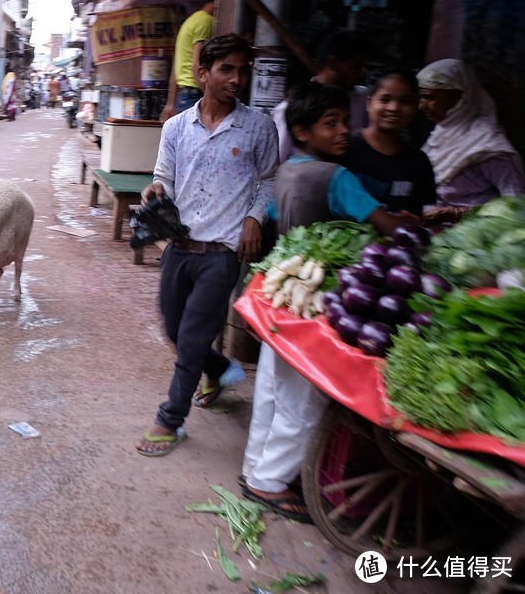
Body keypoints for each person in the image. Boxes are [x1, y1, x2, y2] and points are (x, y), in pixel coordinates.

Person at [241, 81, 411, 520]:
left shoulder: (288, 172)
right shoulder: (336, 177)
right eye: (330, 124)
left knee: (272, 389)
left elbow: (279, 222)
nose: (343, 132)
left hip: (280, 294)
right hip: (316, 302)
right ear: (301, 131)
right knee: (305, 398)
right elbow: (385, 224)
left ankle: (254, 470)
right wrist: (412, 228)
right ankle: (269, 483)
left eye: (345, 122)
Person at [135, 33, 278, 457]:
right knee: (174, 329)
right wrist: (156, 189)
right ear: (203, 74)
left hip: (223, 252)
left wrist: (255, 218)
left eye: (243, 70)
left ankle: (169, 420)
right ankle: (219, 370)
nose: (237, 78)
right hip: (179, 246)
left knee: (192, 338)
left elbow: (269, 179)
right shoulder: (177, 127)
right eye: (227, 69)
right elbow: (165, 175)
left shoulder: (259, 126)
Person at [417, 59, 525, 210]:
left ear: (459, 97)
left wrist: (457, 214)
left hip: (467, 232)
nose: (421, 105)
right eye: (420, 97)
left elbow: (517, 205)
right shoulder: (441, 134)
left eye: (430, 97)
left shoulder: (487, 145)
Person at [341, 70, 436, 217]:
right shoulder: (344, 148)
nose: (393, 108)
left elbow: (416, 217)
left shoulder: (419, 163)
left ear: (416, 107)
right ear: (369, 103)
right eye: (385, 99)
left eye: (405, 101)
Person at [272, 30, 368, 163]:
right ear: (333, 63)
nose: (345, 130)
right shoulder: (290, 110)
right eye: (355, 67)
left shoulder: (363, 100)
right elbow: (276, 163)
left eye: (346, 120)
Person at [162, 0, 216, 120]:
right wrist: (214, 99)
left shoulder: (192, 20)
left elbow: (177, 67)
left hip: (185, 95)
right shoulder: (206, 21)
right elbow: (196, 65)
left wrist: (170, 103)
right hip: (194, 95)